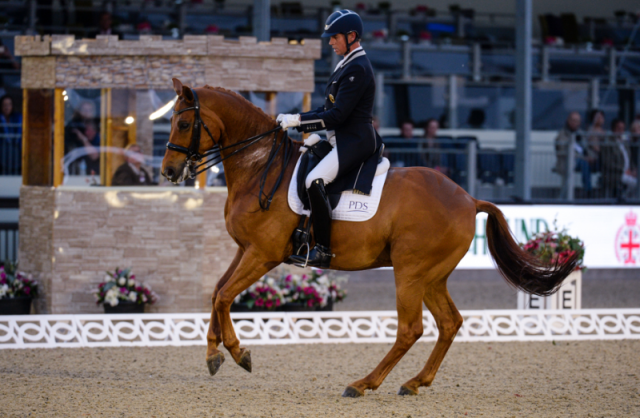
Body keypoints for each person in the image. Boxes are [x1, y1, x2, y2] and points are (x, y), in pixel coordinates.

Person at [276, 9, 381, 268]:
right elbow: (327, 111)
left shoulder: (357, 68)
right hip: (341, 140)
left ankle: (322, 249)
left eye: (334, 37)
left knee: (314, 180)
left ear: (351, 36)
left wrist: (298, 122)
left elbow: (337, 115)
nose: (331, 42)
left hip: (355, 142)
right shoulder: (346, 63)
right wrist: (297, 118)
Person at [554, 112, 593, 198]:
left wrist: (590, 156)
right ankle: (588, 191)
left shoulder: (581, 134)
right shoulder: (562, 134)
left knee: (588, 163)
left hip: (580, 161)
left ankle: (589, 191)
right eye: (573, 120)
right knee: (584, 163)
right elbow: (563, 150)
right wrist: (583, 157)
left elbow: (586, 148)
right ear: (568, 121)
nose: (574, 123)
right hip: (566, 162)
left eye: (577, 121)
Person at [601, 119, 636, 199]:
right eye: (618, 128)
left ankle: (627, 198)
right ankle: (626, 199)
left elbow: (630, 159)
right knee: (636, 183)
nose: (621, 131)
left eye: (623, 129)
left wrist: (633, 169)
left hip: (627, 173)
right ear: (613, 129)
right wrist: (623, 170)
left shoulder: (625, 143)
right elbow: (608, 162)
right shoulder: (608, 143)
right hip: (615, 174)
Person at [65, 100, 101, 175]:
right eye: (84, 110)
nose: (87, 113)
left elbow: (94, 156)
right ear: (79, 111)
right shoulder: (74, 125)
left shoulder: (98, 125)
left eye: (89, 110)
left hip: (93, 170)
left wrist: (84, 139)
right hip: (74, 167)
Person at [0, 95, 22, 174]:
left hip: (15, 151)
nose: (7, 107)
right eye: (4, 105)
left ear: (12, 106)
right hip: (2, 151)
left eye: (9, 104)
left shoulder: (17, 117)